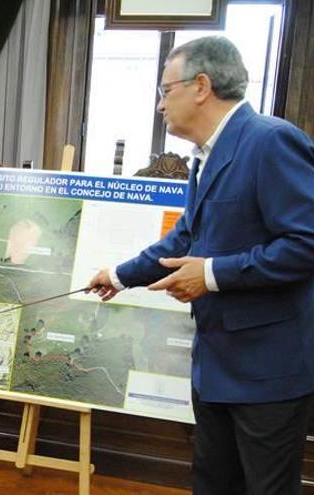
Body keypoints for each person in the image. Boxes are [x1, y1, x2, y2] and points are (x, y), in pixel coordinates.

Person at [88, 36, 314, 494]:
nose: (159, 106)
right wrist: (118, 275)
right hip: (217, 366)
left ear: (201, 86)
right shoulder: (205, 157)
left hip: (268, 370)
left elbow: (306, 243)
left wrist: (210, 275)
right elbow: (186, 238)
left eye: (164, 91)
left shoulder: (271, 142)